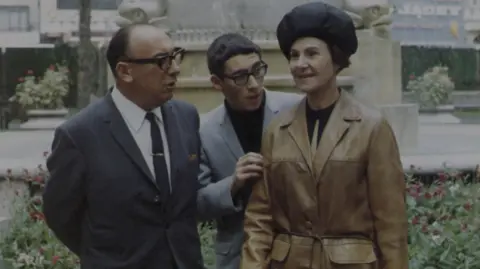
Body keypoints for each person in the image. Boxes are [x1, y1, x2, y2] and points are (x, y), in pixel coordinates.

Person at [240, 2, 408, 269]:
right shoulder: (277, 130)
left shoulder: (372, 128)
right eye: (294, 55)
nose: (300, 64)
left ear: (336, 59)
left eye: (311, 54)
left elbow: (391, 225)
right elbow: (260, 218)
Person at [43, 24, 204, 269]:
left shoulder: (187, 116)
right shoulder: (79, 135)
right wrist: (107, 256)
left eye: (176, 56)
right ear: (125, 71)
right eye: (163, 61)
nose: (175, 69)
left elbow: (186, 201)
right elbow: (60, 216)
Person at [196, 33, 302, 269]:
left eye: (258, 71)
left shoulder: (296, 108)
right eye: (240, 77)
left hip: (298, 250)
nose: (254, 84)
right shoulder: (204, 130)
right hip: (238, 255)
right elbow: (196, 203)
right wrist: (232, 184)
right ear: (216, 83)